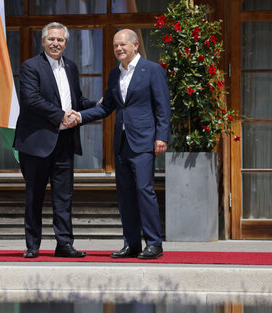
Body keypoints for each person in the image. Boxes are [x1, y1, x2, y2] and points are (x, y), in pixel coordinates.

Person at [71, 29, 170, 259]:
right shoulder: (115, 75)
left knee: (144, 191)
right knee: (125, 195)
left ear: (135, 45)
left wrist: (161, 136)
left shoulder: (152, 70)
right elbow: (107, 107)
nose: (118, 49)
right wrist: (80, 116)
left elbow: (163, 107)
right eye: (115, 45)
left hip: (144, 141)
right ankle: (132, 244)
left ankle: (154, 244)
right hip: (122, 143)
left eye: (123, 45)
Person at [13, 22, 98, 258]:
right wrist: (62, 115)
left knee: (64, 196)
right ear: (43, 41)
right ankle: (32, 245)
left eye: (60, 40)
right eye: (51, 39)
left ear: (66, 43)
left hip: (64, 142)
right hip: (36, 144)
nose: (55, 43)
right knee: (34, 196)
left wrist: (98, 105)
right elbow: (31, 100)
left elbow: (76, 100)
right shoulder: (31, 67)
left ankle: (64, 244)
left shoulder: (71, 67)